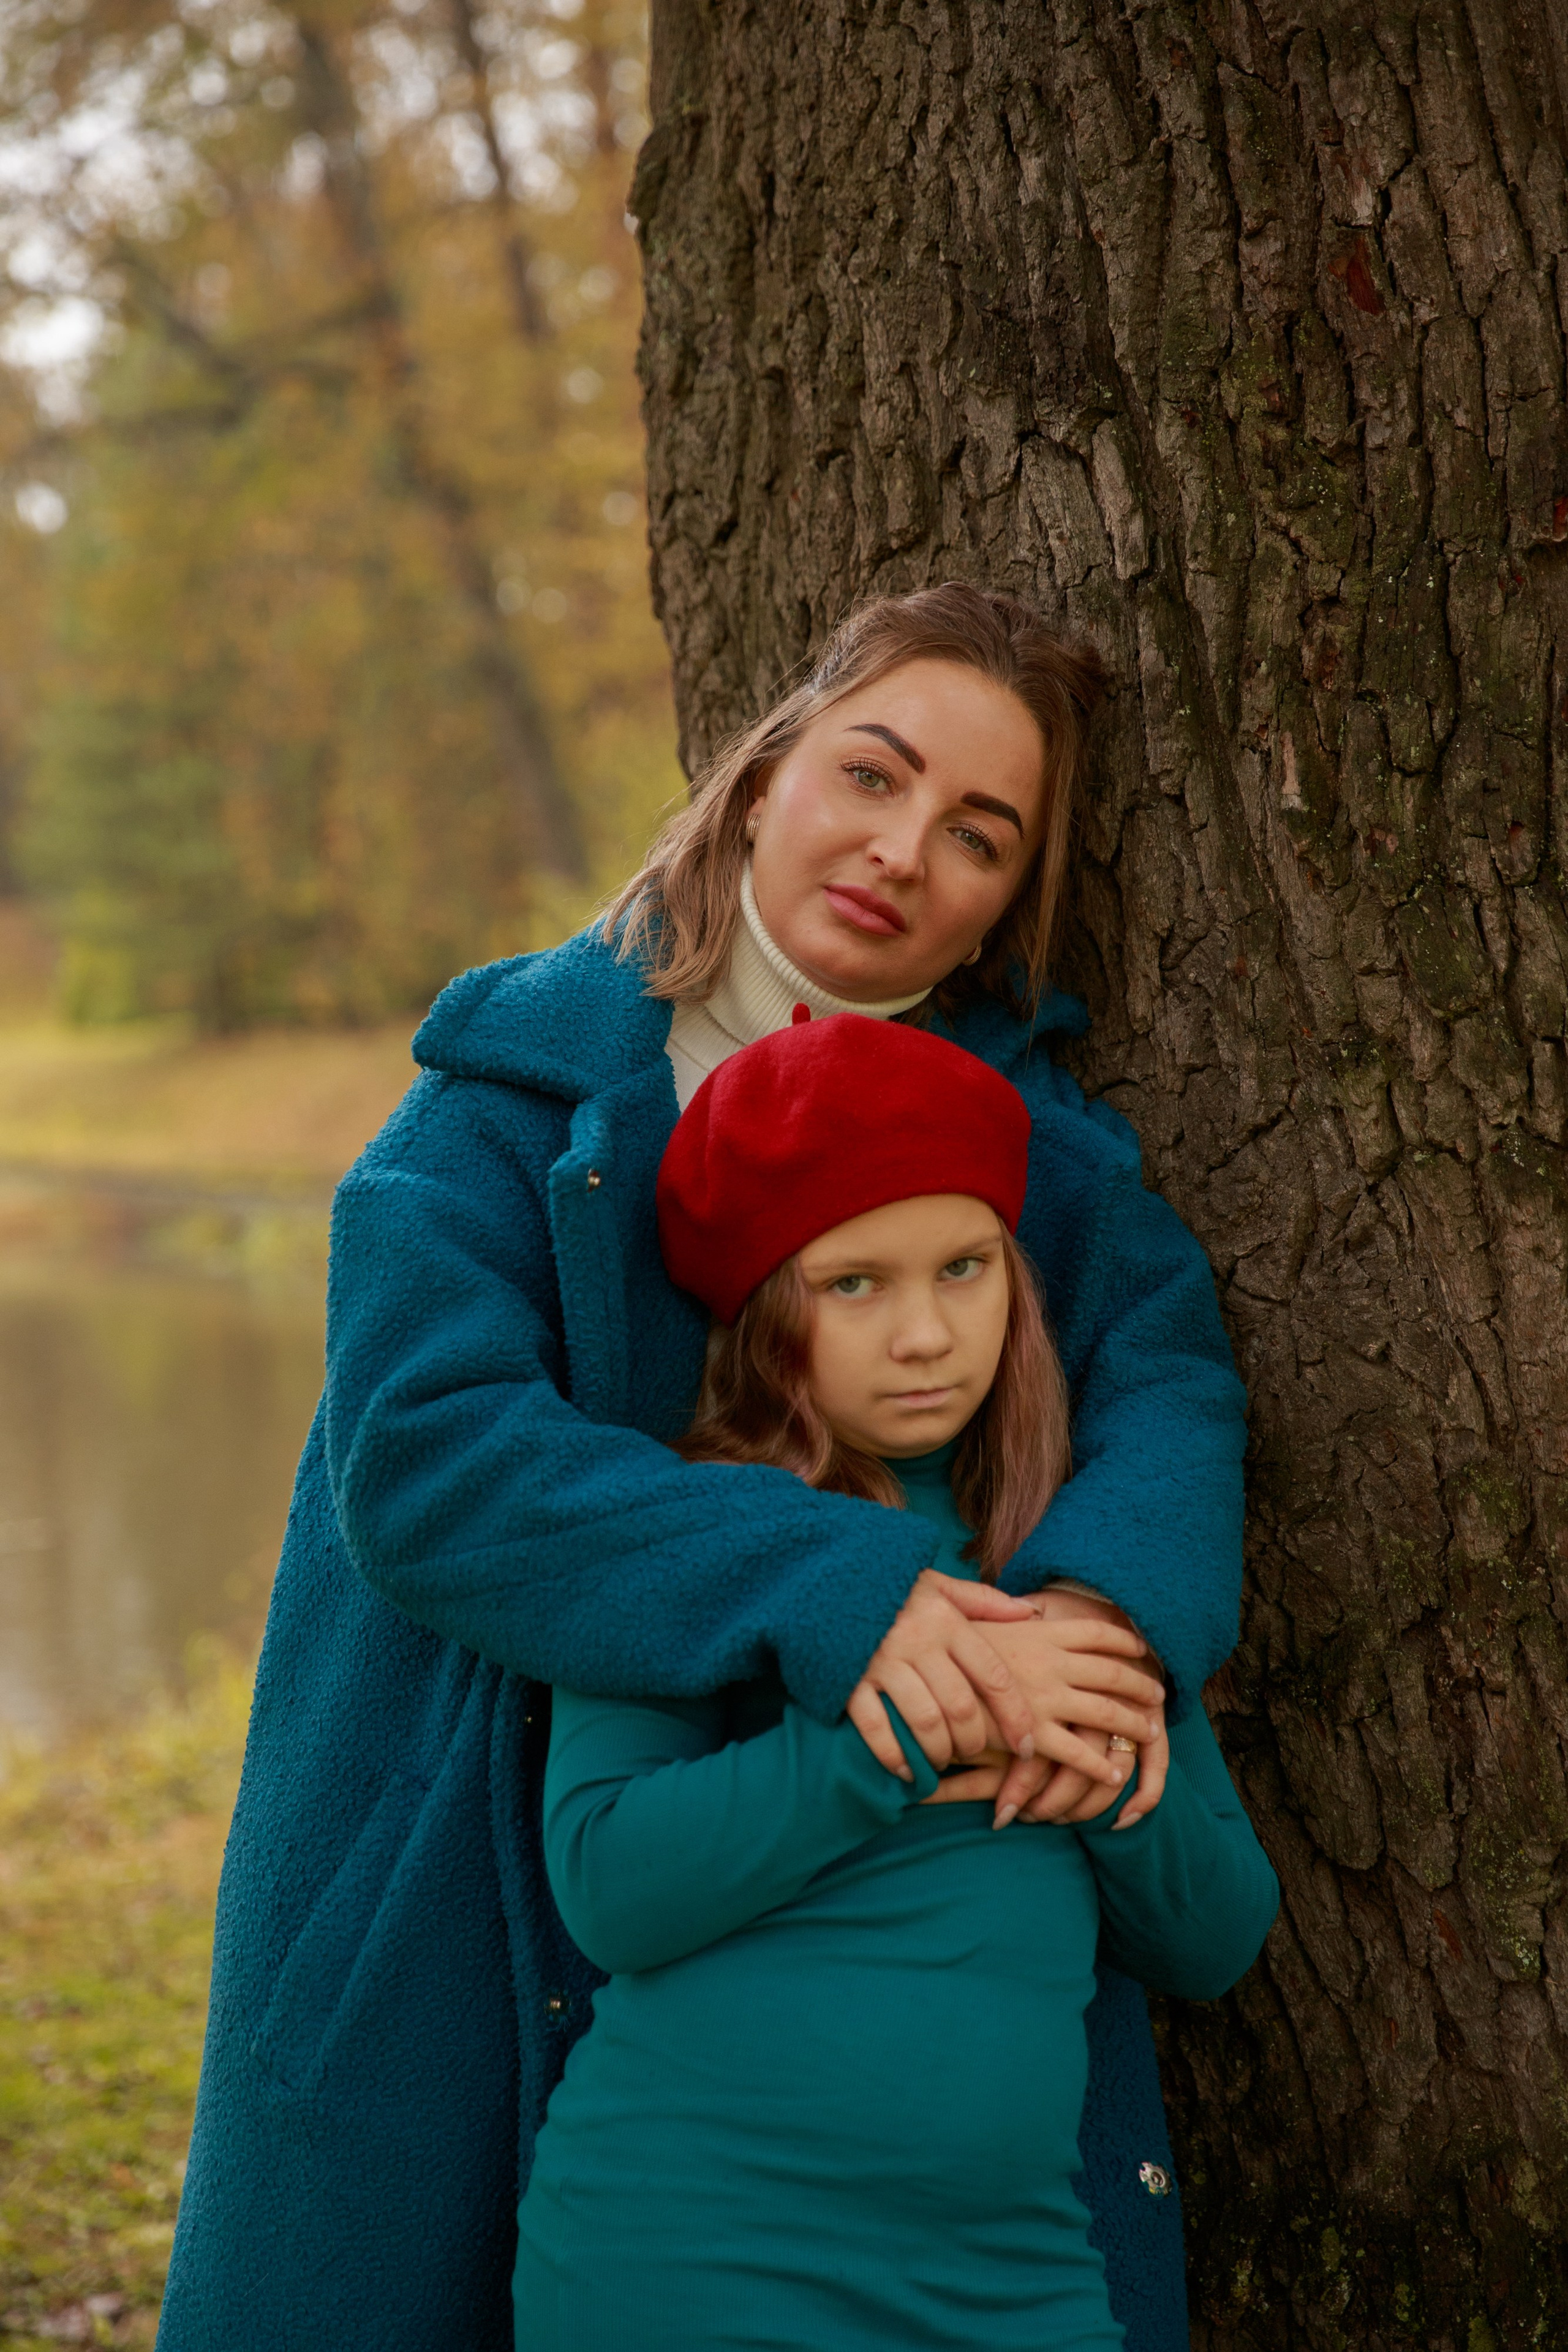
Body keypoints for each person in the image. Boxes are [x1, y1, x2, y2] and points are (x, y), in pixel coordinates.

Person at [157, 585, 1252, 2352]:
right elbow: (432, 1461)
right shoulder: (508, 1105)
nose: (904, 851)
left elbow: (1169, 1386)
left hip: (849, 1999)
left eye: (979, 836)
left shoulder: (1025, 1153)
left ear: (1010, 902)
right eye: (871, 774)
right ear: (762, 778)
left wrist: (1093, 1629)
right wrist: (845, 1585)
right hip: (456, 1863)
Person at [514, 1012, 1278, 2350]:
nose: (925, 1333)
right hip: (687, 2249)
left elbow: (1212, 1939)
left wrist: (1099, 1765)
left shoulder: (1075, 1564)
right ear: (760, 1309)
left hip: (1008, 2276)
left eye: (963, 1268)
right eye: (851, 1283)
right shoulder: (707, 1531)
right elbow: (609, 1881)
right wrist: (904, 1738)